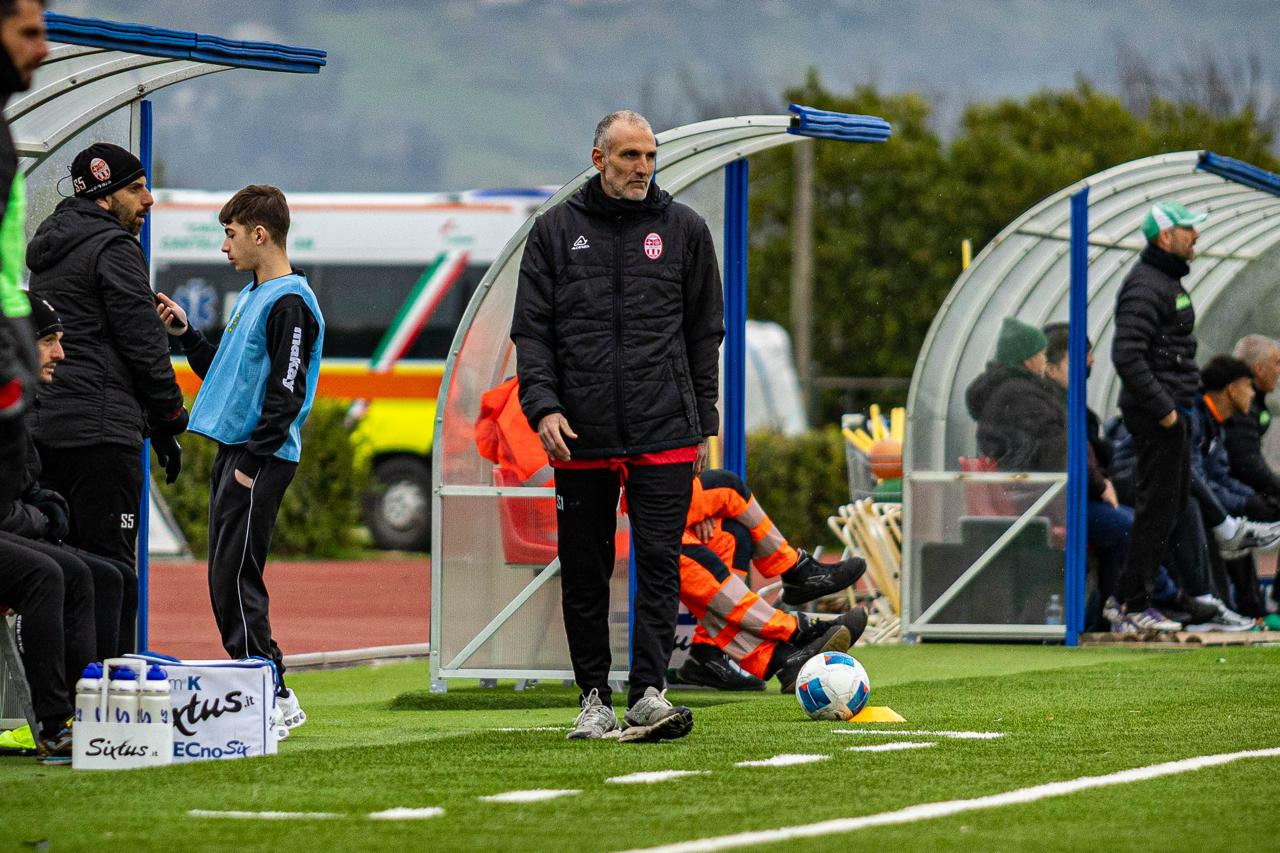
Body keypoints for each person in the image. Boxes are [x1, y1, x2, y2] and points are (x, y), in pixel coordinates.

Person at [511, 110, 723, 742]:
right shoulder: (554, 231)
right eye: (630, 156)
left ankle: (649, 693)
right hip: (580, 433)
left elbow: (704, 332)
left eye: (650, 156)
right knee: (585, 569)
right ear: (599, 159)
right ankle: (593, 699)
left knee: (659, 563)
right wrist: (543, 407)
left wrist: (702, 420)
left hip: (666, 428)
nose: (643, 168)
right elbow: (532, 332)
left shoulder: (685, 230)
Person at [156, 185, 323, 740]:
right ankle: (273, 690)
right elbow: (227, 374)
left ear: (260, 233)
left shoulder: (290, 303)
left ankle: (269, 691)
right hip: (241, 454)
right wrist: (186, 335)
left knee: (236, 576)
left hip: (260, 458)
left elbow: (287, 393)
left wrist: (251, 464)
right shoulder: (256, 295)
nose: (224, 247)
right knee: (224, 577)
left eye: (230, 235)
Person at [26, 142, 188, 569]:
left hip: (47, 430)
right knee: (111, 571)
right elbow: (144, 344)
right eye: (135, 189)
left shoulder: (50, 249)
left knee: (62, 570)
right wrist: (170, 418)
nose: (148, 199)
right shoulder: (114, 247)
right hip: (101, 437)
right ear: (104, 196)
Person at [2, 297, 135, 657]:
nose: (61, 354)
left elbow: (22, 488)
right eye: (48, 341)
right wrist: (41, 518)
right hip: (13, 534)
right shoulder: (10, 409)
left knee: (118, 575)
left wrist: (44, 502)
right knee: (64, 575)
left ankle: (109, 685)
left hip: (17, 529)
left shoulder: (23, 406)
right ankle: (69, 693)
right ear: (19, 344)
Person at [675, 468, 868, 693]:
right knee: (726, 486)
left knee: (732, 535)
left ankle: (713, 651)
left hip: (659, 496)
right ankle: (796, 630)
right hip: (650, 509)